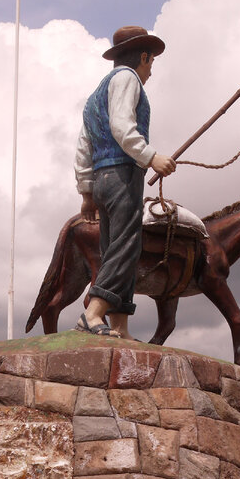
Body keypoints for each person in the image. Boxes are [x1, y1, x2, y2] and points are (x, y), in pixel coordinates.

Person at [73, 25, 177, 340]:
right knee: (126, 247)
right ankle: (93, 313)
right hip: (123, 174)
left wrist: (87, 191)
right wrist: (150, 156)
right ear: (143, 57)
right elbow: (122, 125)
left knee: (113, 248)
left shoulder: (95, 96)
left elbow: (83, 145)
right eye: (150, 64)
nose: (150, 72)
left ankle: (119, 325)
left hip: (102, 180)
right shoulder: (127, 79)